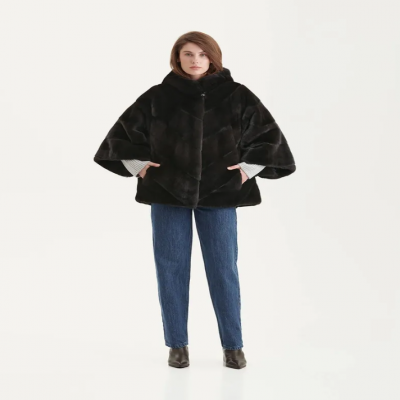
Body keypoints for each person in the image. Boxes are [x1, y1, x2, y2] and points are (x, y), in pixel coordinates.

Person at [93, 31, 296, 369]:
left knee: (223, 270)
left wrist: (248, 170)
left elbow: (269, 138)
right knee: (170, 269)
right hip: (168, 193)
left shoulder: (237, 95)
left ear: (213, 57)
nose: (195, 60)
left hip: (221, 193)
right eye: (188, 54)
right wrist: (139, 167)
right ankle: (177, 345)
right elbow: (118, 139)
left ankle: (233, 346)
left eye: (202, 54)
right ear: (178, 57)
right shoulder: (158, 96)